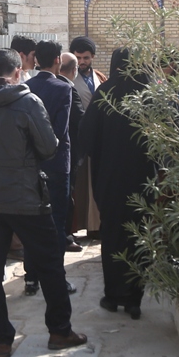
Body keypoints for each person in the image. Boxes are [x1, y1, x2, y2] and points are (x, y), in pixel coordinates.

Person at [0, 48, 87, 357]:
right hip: (25, 199)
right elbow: (49, 146)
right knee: (50, 264)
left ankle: (1, 340)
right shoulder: (29, 103)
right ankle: (59, 330)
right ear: (17, 73)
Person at [80, 47, 156, 319]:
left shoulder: (105, 93)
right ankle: (135, 298)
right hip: (144, 182)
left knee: (112, 236)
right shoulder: (151, 94)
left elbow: (86, 138)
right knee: (139, 236)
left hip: (110, 181)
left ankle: (113, 296)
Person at [27, 40, 85, 273]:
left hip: (30, 163)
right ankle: (55, 276)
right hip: (58, 163)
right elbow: (60, 130)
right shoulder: (63, 88)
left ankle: (31, 276)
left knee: (32, 222)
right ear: (58, 60)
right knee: (57, 221)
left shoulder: (27, 86)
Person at [68, 36, 102, 237]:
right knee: (79, 186)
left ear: (92, 57)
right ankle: (76, 226)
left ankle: (95, 226)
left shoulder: (99, 76)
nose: (81, 62)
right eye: (78, 58)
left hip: (98, 140)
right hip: (78, 139)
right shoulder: (69, 79)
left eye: (86, 58)